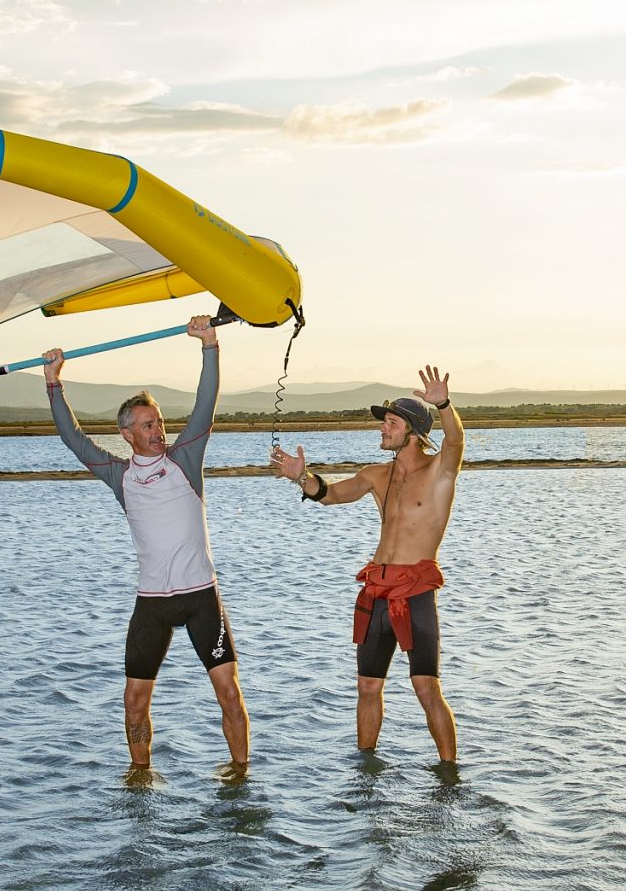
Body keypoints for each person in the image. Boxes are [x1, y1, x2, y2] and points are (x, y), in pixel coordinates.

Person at [44, 316, 249, 779]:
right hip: (152, 603)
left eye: (158, 422)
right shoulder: (120, 477)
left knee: (229, 692)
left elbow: (206, 405)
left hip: (201, 598)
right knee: (134, 700)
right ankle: (141, 777)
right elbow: (73, 440)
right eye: (146, 425)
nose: (158, 430)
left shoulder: (186, 458)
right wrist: (54, 384)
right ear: (127, 434)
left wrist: (210, 345)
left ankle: (240, 776)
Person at [269, 366, 462, 764]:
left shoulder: (439, 471)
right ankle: (366, 768)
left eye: (390, 423)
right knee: (367, 687)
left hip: (416, 593)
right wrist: (301, 477)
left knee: (426, 687)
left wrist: (443, 403)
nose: (382, 429)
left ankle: (450, 773)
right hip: (376, 593)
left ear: (412, 431)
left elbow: (456, 440)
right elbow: (332, 495)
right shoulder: (376, 475)